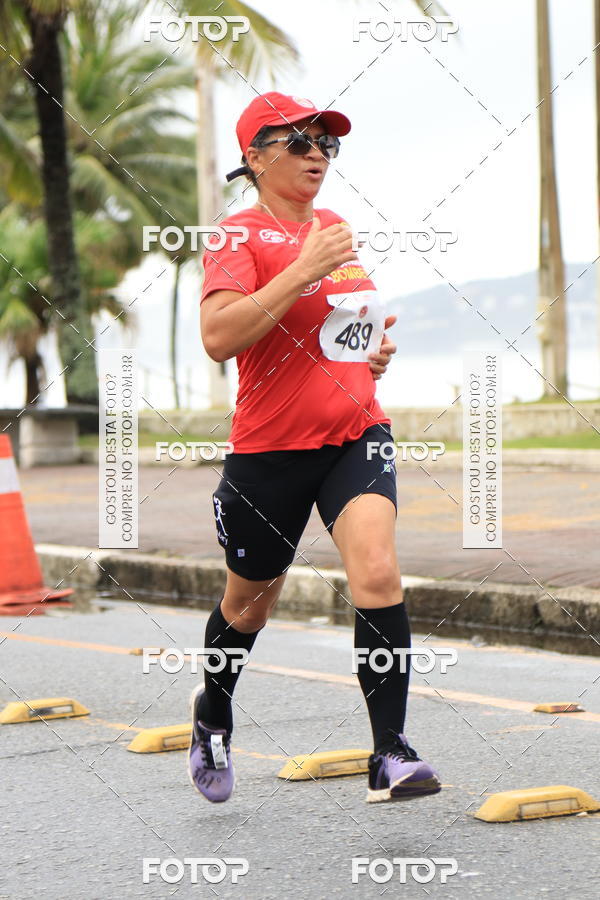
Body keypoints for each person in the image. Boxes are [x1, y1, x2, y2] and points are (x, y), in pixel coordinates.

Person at [189, 92, 441, 804]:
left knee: (380, 572)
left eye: (325, 143)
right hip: (269, 452)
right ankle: (212, 712)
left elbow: (333, 335)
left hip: (356, 434)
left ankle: (389, 752)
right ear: (255, 156)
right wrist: (301, 269)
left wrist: (369, 357)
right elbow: (218, 339)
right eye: (297, 142)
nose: (316, 154)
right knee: (249, 607)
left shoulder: (333, 227)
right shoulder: (235, 239)